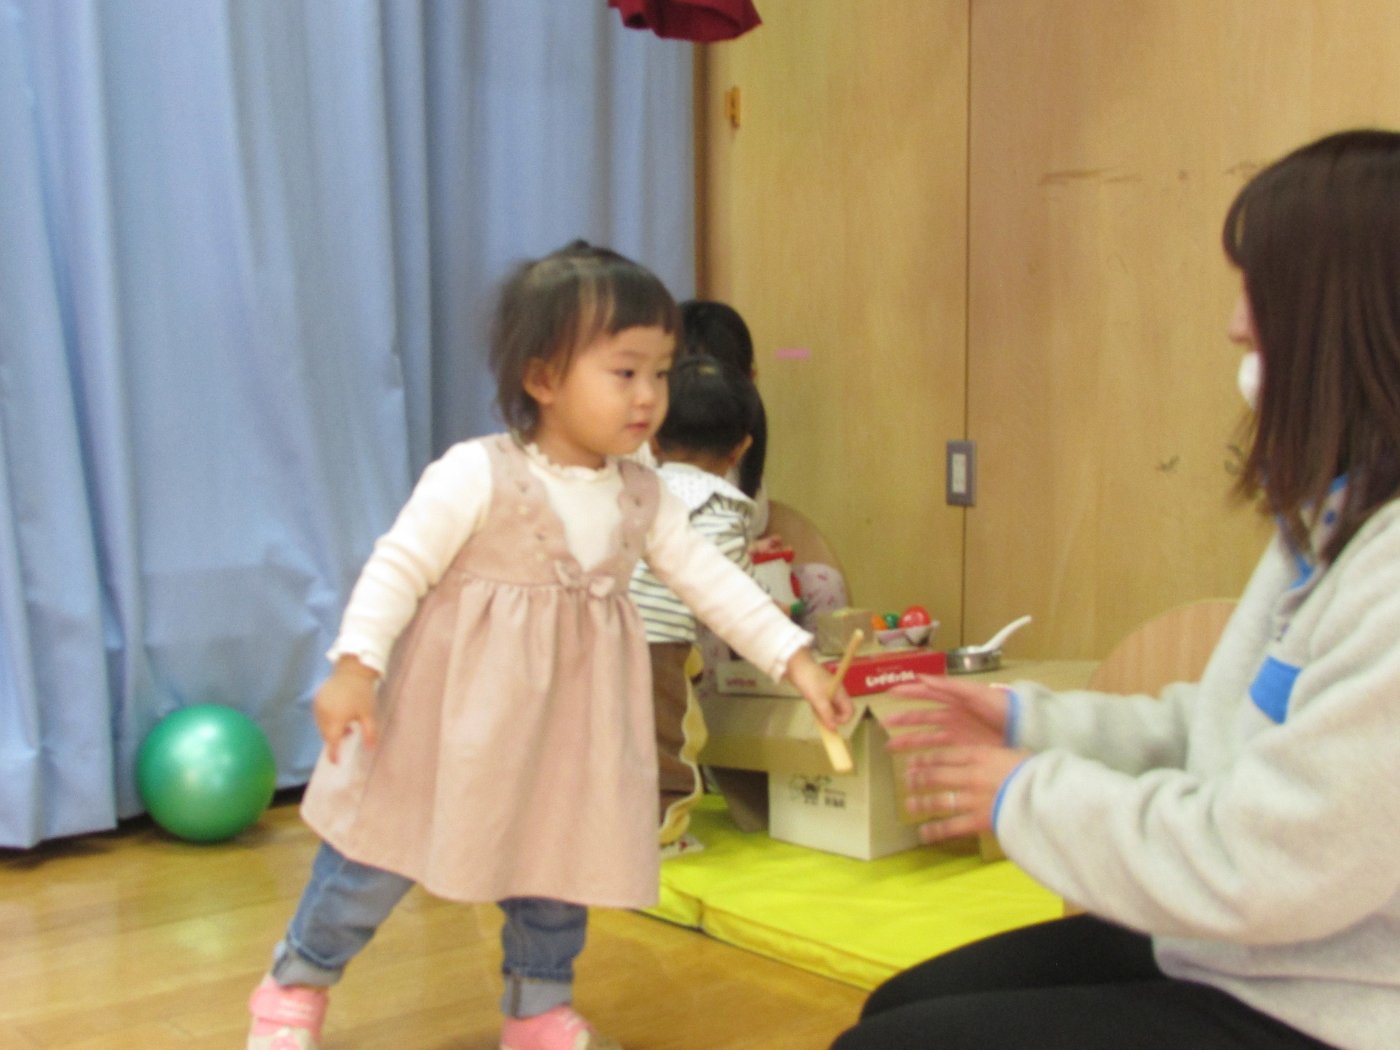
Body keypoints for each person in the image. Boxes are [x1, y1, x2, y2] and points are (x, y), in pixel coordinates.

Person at [831, 129, 1400, 1050]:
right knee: (896, 1009)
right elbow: (1223, 734)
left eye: (1258, 290)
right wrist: (1030, 723)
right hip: (1249, 950)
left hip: (1336, 1001)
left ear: (1342, 312)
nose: (1236, 325)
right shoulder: (1333, 518)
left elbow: (1272, 861)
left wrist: (1024, 792)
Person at [244, 240, 853, 1050]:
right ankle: (294, 987)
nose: (649, 396)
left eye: (660, 372)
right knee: (370, 862)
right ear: (542, 378)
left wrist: (797, 661)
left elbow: (717, 583)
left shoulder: (644, 494)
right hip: (447, 728)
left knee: (557, 873)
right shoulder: (475, 474)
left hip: (568, 735)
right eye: (624, 372)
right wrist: (356, 668)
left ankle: (537, 1010)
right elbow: (397, 567)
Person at [629, 353, 764, 848]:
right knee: (670, 741)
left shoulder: (633, 488)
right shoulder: (722, 509)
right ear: (741, 448)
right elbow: (734, 599)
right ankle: (661, 835)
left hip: (596, 631)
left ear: (653, 440)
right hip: (655, 646)